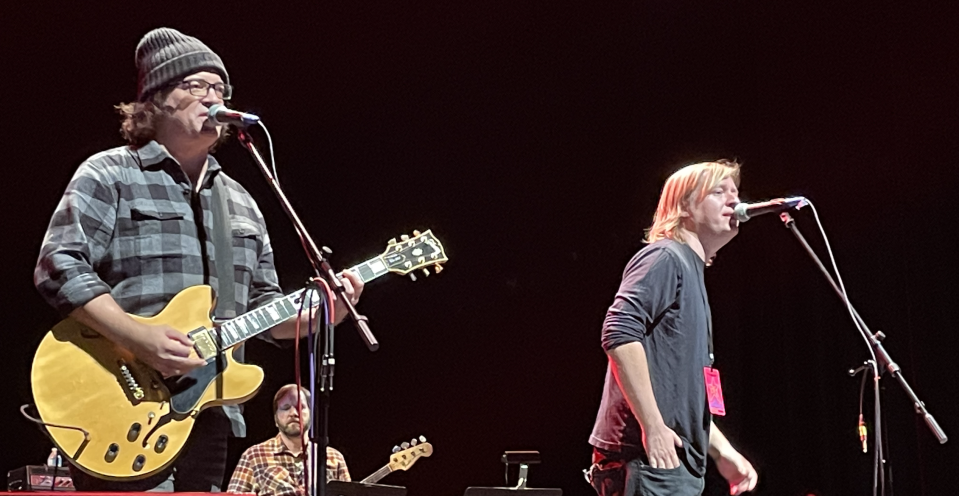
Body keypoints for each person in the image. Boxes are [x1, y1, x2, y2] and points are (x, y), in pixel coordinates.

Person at [33, 27, 364, 491]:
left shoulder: (242, 203)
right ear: (156, 99)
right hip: (118, 404)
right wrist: (139, 336)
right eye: (196, 85)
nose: (213, 97)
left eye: (220, 88)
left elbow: (262, 310)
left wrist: (318, 314)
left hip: (210, 415)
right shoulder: (110, 173)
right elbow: (58, 265)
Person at [587, 160, 759, 496]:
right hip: (648, 457)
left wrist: (722, 452)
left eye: (735, 192)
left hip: (671, 460)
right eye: (718, 191)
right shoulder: (665, 257)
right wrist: (653, 426)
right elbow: (619, 332)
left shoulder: (690, 270)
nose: (733, 201)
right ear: (684, 207)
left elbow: (680, 393)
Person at [227, 384, 350, 496]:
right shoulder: (254, 456)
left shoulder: (333, 457)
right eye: (286, 408)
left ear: (311, 415)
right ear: (275, 419)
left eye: (300, 407)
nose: (293, 413)